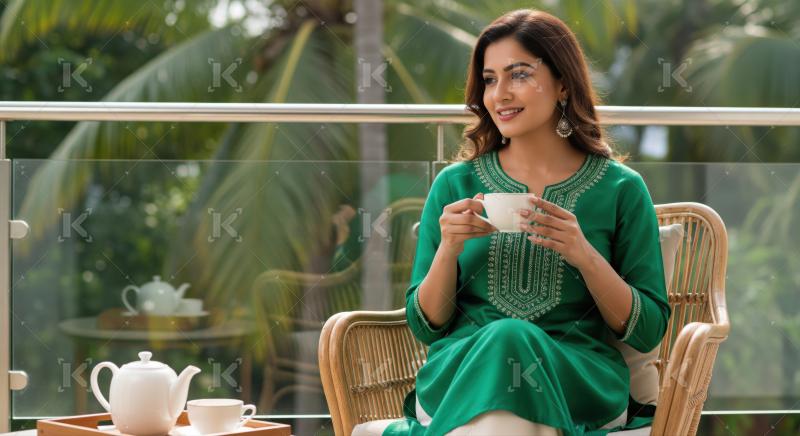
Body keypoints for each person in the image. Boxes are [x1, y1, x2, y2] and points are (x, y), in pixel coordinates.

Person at [375, 9, 670, 436]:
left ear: (563, 84)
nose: (500, 94)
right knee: (504, 339)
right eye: (490, 79)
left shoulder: (622, 188)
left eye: (518, 75)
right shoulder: (455, 184)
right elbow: (426, 325)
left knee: (511, 339)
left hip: (576, 378)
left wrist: (585, 255)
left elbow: (648, 331)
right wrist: (448, 249)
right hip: (463, 373)